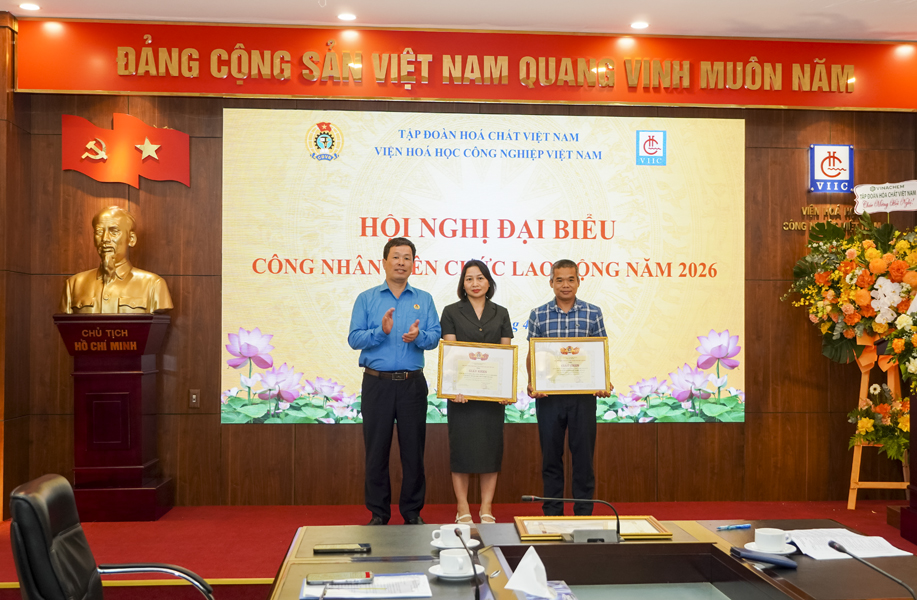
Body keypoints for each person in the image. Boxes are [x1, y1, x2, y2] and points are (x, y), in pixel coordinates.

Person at [348, 237, 441, 525]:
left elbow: (434, 337)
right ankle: (379, 513)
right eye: (396, 257)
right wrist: (381, 332)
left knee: (413, 451)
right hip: (377, 384)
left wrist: (419, 336)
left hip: (412, 384)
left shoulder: (424, 299)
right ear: (384, 262)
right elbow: (354, 339)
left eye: (407, 258)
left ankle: (412, 512)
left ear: (414, 263)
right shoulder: (367, 298)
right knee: (376, 450)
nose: (401, 262)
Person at [526, 259, 611, 517]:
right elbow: (533, 353)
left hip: (583, 397)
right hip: (549, 396)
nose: (565, 285)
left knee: (583, 457)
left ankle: (584, 512)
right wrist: (532, 382)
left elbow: (600, 352)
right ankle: (553, 512)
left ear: (578, 281)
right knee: (551, 457)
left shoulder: (593, 313)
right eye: (560, 280)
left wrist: (603, 381)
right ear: (551, 282)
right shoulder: (538, 314)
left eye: (570, 279)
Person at [440, 260, 514, 524]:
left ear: (489, 282)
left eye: (480, 278)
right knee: (461, 451)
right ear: (463, 284)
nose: (475, 283)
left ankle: (486, 507)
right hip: (462, 397)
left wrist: (505, 388)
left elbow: (505, 353)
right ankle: (462, 507)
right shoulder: (451, 311)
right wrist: (454, 388)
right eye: (469, 279)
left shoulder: (501, 313)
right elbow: (451, 354)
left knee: (490, 451)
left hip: (492, 397)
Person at [59, 205, 172, 314]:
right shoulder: (74, 285)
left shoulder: (153, 284)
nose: (105, 239)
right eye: (99, 232)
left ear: (131, 239)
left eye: (114, 232)